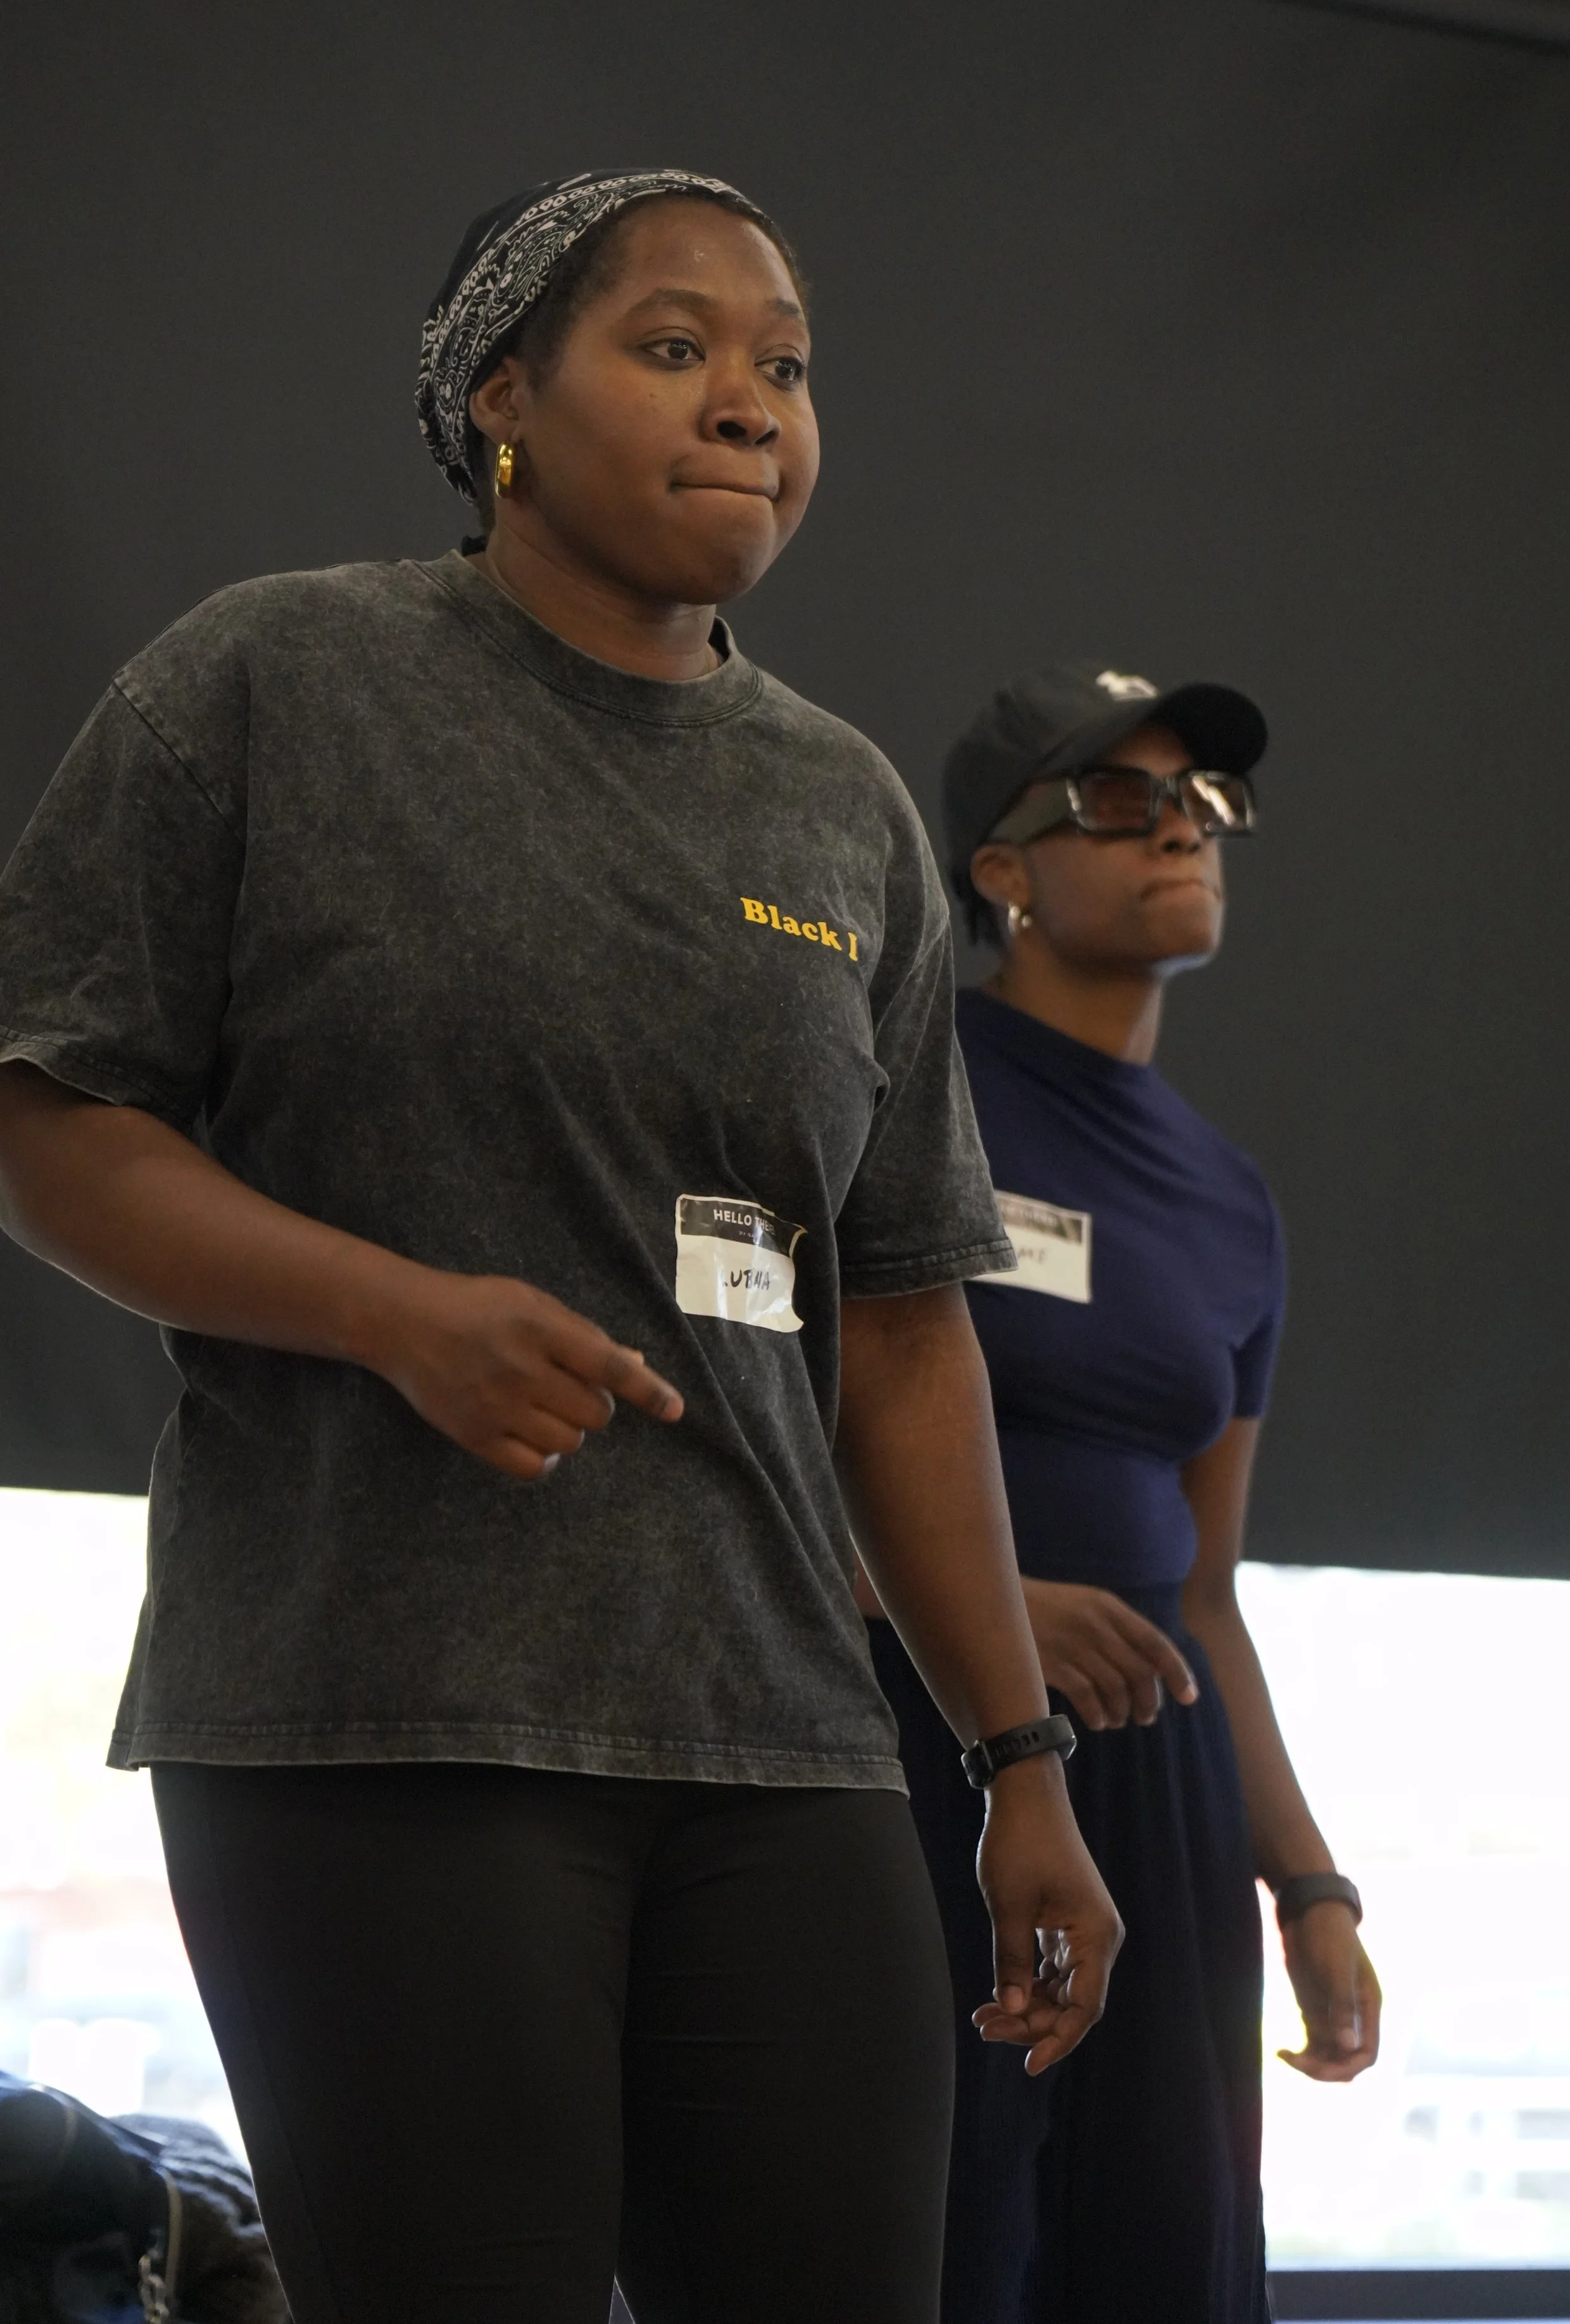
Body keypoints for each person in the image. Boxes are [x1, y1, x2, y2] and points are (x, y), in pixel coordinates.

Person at [0, 170, 1122, 2324]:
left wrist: (1015, 1762)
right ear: (501, 400)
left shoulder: (840, 805)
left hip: (780, 1735)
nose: (749, 406)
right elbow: (50, 1118)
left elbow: (895, 1326)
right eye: (675, 345)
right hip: (378, 1715)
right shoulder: (272, 682)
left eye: (785, 365)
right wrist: (390, 1312)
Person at [865, 662, 1381, 2324]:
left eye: (1200, 798)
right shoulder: (893, 1085)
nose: (1176, 823)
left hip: (1150, 1782)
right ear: (999, 872)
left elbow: (1203, 1590)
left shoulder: (1226, 1197)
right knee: (942, 2241)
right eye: (1115, 798)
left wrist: (1303, 1883)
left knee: (1154, 2251)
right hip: (909, 1741)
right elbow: (736, 1452)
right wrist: (972, 1616)